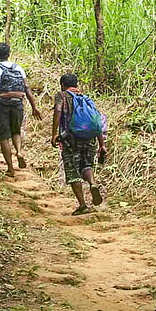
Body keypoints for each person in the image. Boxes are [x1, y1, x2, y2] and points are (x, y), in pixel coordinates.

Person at [0, 43, 41, 177]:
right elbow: (26, 88)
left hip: (2, 104)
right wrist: (34, 107)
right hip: (17, 103)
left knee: (4, 137)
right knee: (16, 131)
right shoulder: (18, 67)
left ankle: (10, 169)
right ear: (8, 54)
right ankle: (19, 152)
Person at [51, 73, 106, 215]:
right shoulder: (85, 99)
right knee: (86, 165)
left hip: (70, 140)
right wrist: (102, 144)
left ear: (63, 85)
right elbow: (97, 122)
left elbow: (58, 110)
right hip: (89, 139)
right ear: (76, 85)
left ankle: (82, 205)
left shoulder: (62, 96)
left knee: (72, 171)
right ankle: (92, 183)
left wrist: (54, 134)